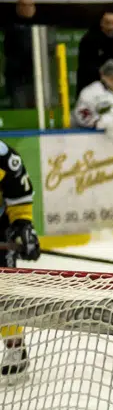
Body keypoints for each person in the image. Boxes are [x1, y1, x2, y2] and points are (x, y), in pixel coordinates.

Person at [0, 136, 39, 382]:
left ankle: (15, 348)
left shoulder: (4, 156)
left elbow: (20, 196)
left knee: (3, 291)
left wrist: (24, 227)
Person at [76, 10, 113, 95]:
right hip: (92, 84)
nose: (111, 27)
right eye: (107, 23)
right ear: (101, 23)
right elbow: (86, 66)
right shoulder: (89, 39)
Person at [4, 0, 38, 109]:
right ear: (18, 8)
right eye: (25, 5)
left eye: (31, 5)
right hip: (19, 80)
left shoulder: (39, 26)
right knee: (21, 110)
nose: (29, 8)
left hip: (37, 78)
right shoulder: (12, 26)